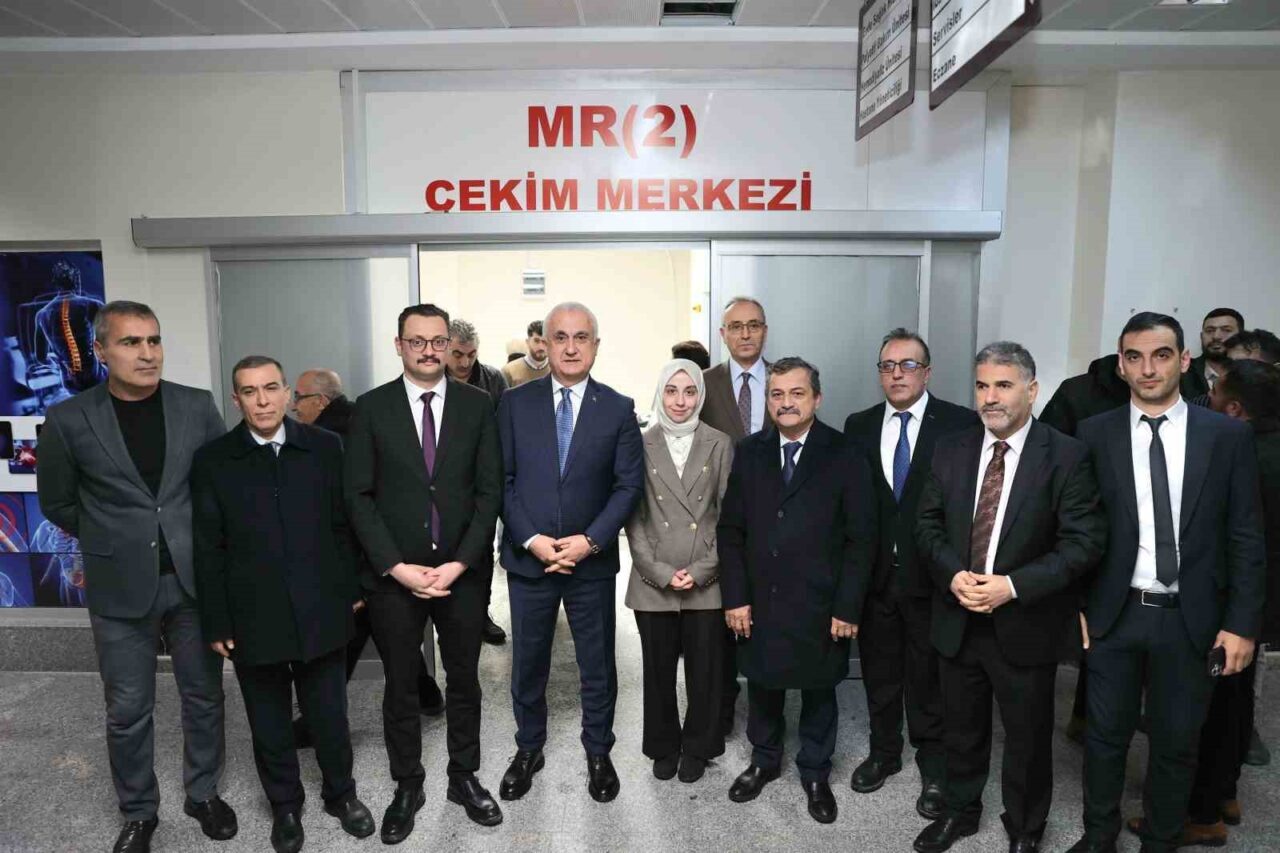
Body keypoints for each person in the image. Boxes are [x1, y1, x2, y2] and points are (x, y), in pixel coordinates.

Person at [36, 300, 237, 853]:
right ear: (101, 351)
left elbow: (220, 483)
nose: (147, 353)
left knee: (204, 696)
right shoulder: (69, 419)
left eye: (154, 340)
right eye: (131, 342)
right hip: (119, 584)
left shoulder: (196, 406)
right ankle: (139, 811)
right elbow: (57, 501)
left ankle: (202, 793)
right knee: (127, 709)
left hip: (193, 581)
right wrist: (114, 535)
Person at [1068, 312, 1266, 853]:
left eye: (1160, 355)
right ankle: (1098, 836)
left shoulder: (1226, 436)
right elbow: (1078, 528)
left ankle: (1160, 840)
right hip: (1115, 613)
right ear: (1121, 365)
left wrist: (1243, 625)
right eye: (1134, 357)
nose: (1148, 368)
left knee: (1177, 743)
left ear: (1184, 360)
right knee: (1104, 739)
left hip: (1192, 617)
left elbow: (1246, 536)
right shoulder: (1094, 433)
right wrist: (1077, 604)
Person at [913, 342, 1106, 853]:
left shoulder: (1065, 455)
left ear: (1032, 390)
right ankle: (960, 811)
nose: (990, 397)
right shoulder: (951, 448)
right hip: (959, 614)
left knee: (1027, 736)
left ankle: (1025, 827)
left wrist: (1012, 587)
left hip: (1025, 622)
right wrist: (953, 575)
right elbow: (927, 524)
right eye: (981, 386)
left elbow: (1083, 543)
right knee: (961, 727)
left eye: (1003, 385)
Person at [192, 356, 374, 853]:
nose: (263, 400)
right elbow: (208, 547)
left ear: (288, 393)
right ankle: (285, 806)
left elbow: (344, 525)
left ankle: (342, 796)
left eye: (271, 388)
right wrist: (217, 620)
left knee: (329, 715)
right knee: (269, 721)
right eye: (250, 392)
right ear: (237, 400)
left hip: (321, 606)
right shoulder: (214, 460)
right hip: (252, 614)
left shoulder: (325, 447)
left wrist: (352, 589)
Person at [345, 304, 505, 840]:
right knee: (400, 686)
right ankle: (407, 785)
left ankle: (464, 777)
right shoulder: (371, 408)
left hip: (463, 573)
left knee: (464, 681)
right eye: (418, 341)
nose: (429, 350)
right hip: (395, 577)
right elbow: (358, 496)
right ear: (399, 346)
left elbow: (490, 492)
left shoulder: (478, 405)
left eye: (438, 341)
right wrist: (395, 567)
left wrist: (460, 563)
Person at [496, 302, 644, 804]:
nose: (571, 347)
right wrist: (532, 540)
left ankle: (598, 752)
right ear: (545, 344)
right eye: (561, 337)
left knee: (597, 666)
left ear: (595, 346)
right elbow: (502, 481)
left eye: (582, 337)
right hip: (529, 561)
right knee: (528, 664)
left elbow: (628, 487)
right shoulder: (514, 404)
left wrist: (590, 541)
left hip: (591, 564)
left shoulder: (618, 408)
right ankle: (528, 748)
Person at [718, 357, 875, 825]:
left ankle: (815, 772)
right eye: (777, 394)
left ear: (817, 399)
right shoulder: (750, 452)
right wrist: (736, 597)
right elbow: (731, 531)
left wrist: (848, 605)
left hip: (821, 603)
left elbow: (861, 538)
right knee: (763, 684)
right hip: (761, 599)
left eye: (797, 393)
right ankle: (764, 760)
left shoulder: (845, 453)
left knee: (819, 690)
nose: (786, 403)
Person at [843, 329, 979, 819]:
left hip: (935, 578)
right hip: (878, 578)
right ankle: (884, 752)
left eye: (908, 365)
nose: (896, 374)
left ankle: (933, 763)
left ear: (927, 372)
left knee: (929, 677)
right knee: (880, 673)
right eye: (887, 366)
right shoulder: (859, 425)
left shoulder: (960, 424)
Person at [1176, 360, 1280, 845]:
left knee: (1212, 707)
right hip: (1262, 605)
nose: (1208, 397)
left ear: (1234, 409)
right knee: (1238, 702)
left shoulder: (1241, 455)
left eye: (1216, 391)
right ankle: (1226, 793)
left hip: (1232, 603)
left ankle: (1203, 814)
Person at [624, 358, 733, 784]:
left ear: (700, 396)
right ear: (660, 394)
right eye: (672, 391)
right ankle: (663, 746)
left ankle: (699, 747)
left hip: (706, 575)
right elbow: (633, 518)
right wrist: (659, 571)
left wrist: (704, 568)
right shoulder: (640, 442)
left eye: (690, 392)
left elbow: (728, 516)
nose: (681, 401)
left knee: (706, 672)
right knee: (657, 671)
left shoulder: (719, 443)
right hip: (654, 577)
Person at [700, 296, 771, 735]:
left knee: (768, 624)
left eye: (754, 325)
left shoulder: (786, 380)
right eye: (736, 326)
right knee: (719, 627)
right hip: (718, 523)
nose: (745, 334)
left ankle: (766, 720)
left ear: (765, 330)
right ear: (723, 334)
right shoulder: (704, 384)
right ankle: (721, 713)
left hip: (775, 524)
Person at [446, 318, 510, 646]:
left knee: (481, 550)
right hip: (443, 480)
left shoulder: (493, 379)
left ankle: (480, 614)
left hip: (482, 476)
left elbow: (506, 428)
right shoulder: (433, 380)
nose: (465, 362)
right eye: (458, 354)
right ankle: (446, 618)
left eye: (471, 354)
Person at [1184, 307, 1244, 397]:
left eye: (1226, 330)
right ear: (1201, 337)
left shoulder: (1254, 375)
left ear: (1242, 336)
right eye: (1210, 331)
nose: (1216, 336)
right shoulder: (1182, 373)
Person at [500, 320, 550, 388]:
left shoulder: (558, 371)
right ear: (527, 342)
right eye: (536, 341)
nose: (541, 347)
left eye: (544, 341)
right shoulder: (508, 371)